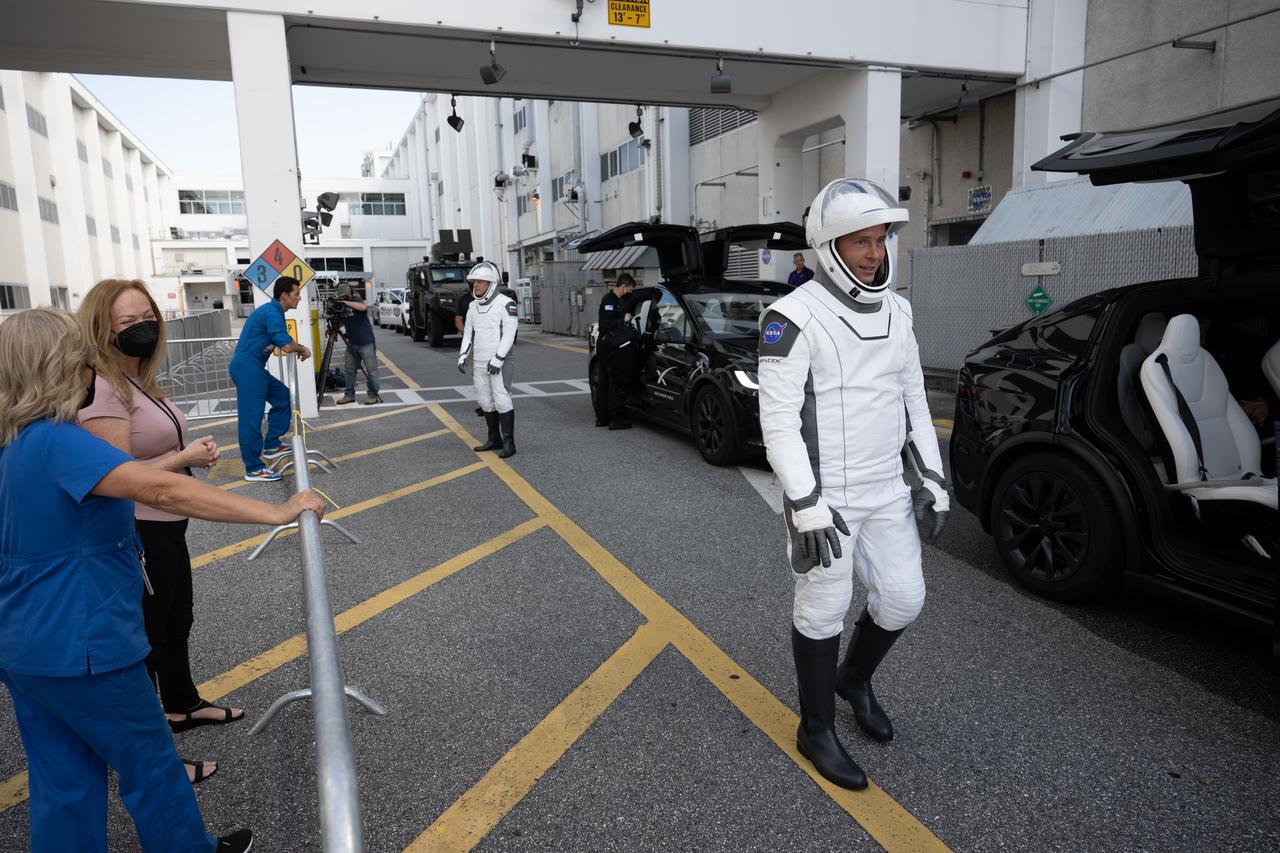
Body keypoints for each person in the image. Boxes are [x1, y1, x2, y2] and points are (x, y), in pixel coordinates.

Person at [0, 307, 326, 853]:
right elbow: (160, 491)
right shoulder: (59, 441)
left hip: (23, 644)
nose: (93, 374)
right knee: (149, 764)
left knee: (63, 779)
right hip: (85, 642)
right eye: (86, 362)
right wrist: (274, 513)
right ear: (64, 368)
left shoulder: (10, 445)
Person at [757, 178, 948, 791]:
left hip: (887, 487)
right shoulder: (790, 317)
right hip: (827, 498)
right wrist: (805, 503)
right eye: (858, 241)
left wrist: (932, 475)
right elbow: (778, 422)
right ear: (828, 248)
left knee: (903, 598)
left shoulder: (899, 309)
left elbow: (913, 396)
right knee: (823, 608)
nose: (873, 253)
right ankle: (816, 729)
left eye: (880, 239)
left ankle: (854, 680)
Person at [76, 279, 236, 786]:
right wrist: (185, 459)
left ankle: (182, 704)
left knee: (176, 619)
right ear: (103, 329)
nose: (144, 326)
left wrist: (187, 461)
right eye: (128, 322)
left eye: (148, 316)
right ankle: (157, 759)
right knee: (146, 638)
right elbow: (123, 476)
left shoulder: (137, 377)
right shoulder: (102, 388)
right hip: (139, 528)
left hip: (167, 524)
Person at [230, 276, 311, 482]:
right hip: (247, 367)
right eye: (297, 294)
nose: (299, 298)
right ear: (284, 295)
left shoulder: (274, 312)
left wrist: (297, 346)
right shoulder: (271, 313)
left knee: (283, 396)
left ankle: (272, 444)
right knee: (251, 418)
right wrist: (302, 348)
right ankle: (254, 468)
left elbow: (283, 340)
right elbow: (285, 345)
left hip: (254, 367)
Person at [457, 261, 519, 458]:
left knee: (501, 398)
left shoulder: (506, 304)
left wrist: (498, 359)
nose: (476, 285)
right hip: (480, 361)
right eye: (475, 282)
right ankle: (494, 439)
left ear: (491, 283)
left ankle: (509, 443)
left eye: (481, 282)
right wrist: (462, 355)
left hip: (499, 361)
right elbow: (468, 333)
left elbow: (510, 334)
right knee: (484, 400)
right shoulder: (473, 306)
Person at [593, 273, 657, 430]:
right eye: (629, 289)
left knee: (605, 381)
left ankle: (602, 418)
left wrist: (656, 293)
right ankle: (615, 419)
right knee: (615, 381)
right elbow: (604, 325)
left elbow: (638, 296)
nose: (630, 292)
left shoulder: (619, 300)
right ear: (624, 286)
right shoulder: (609, 300)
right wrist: (624, 320)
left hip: (608, 345)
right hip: (609, 346)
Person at [335, 280, 381, 406]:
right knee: (349, 370)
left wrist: (345, 302)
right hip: (352, 343)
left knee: (371, 370)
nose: (344, 296)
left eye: (346, 294)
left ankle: (373, 395)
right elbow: (344, 320)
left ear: (350, 292)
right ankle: (349, 395)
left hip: (365, 342)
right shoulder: (342, 304)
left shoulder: (356, 299)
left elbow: (363, 307)